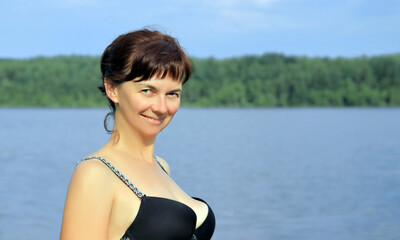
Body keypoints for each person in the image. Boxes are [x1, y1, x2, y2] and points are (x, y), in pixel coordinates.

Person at [60, 29, 215, 240]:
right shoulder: (95, 173)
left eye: (172, 94)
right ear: (112, 89)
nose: (161, 107)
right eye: (147, 91)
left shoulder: (161, 166)